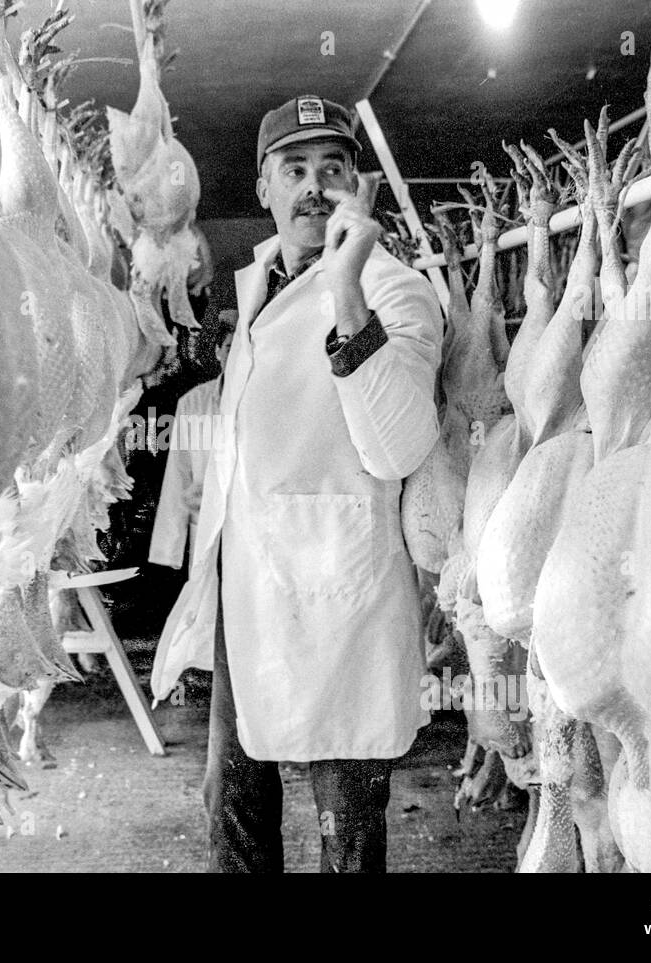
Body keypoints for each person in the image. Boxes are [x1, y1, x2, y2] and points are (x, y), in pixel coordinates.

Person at [150, 95, 443, 872]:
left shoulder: (396, 289)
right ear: (264, 189)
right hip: (247, 592)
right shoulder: (254, 283)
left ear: (358, 185)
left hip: (340, 603)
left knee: (344, 838)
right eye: (296, 169)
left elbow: (400, 445)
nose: (315, 186)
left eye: (333, 169)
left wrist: (346, 287)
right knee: (233, 809)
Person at [148, 312, 237, 571]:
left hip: (249, 525)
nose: (235, 356)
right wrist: (169, 548)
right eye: (230, 348)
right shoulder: (193, 402)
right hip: (205, 521)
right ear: (219, 351)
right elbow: (179, 472)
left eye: (242, 349)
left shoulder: (262, 402)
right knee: (205, 601)